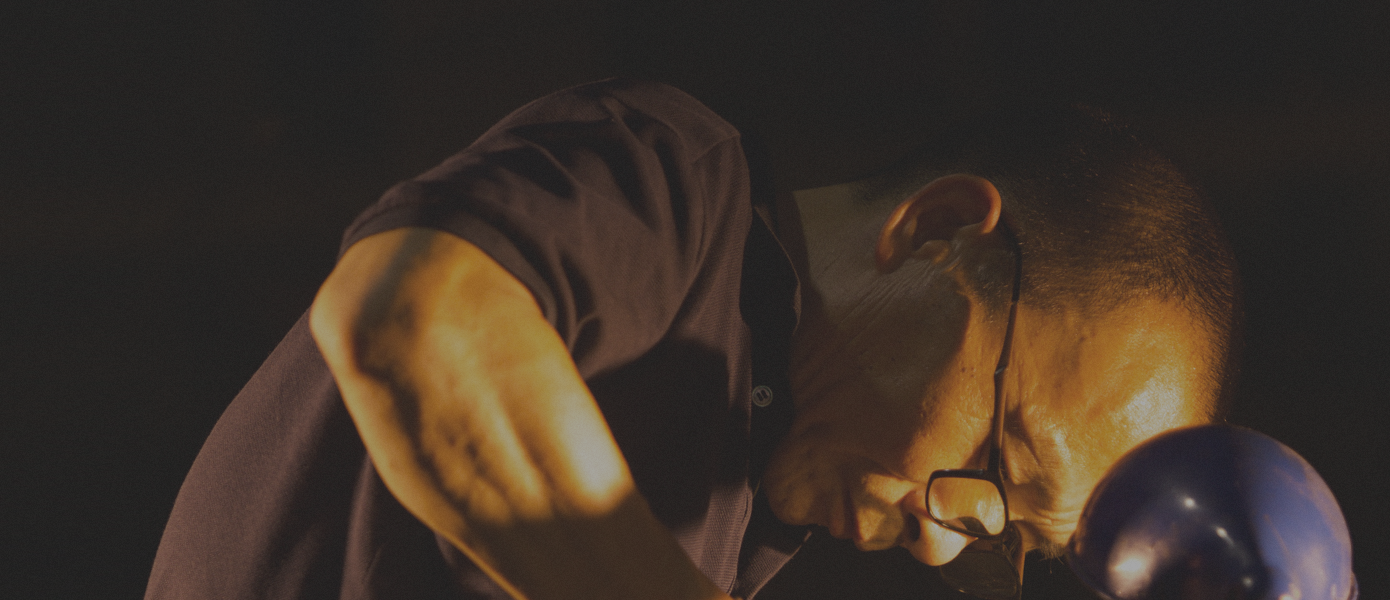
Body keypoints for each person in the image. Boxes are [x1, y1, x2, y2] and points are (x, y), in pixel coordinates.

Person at [145, 78, 1238, 600]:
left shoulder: (753, 506)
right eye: (995, 459)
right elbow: (409, 314)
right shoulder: (682, 190)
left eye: (1004, 539)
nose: (942, 544)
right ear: (938, 231)